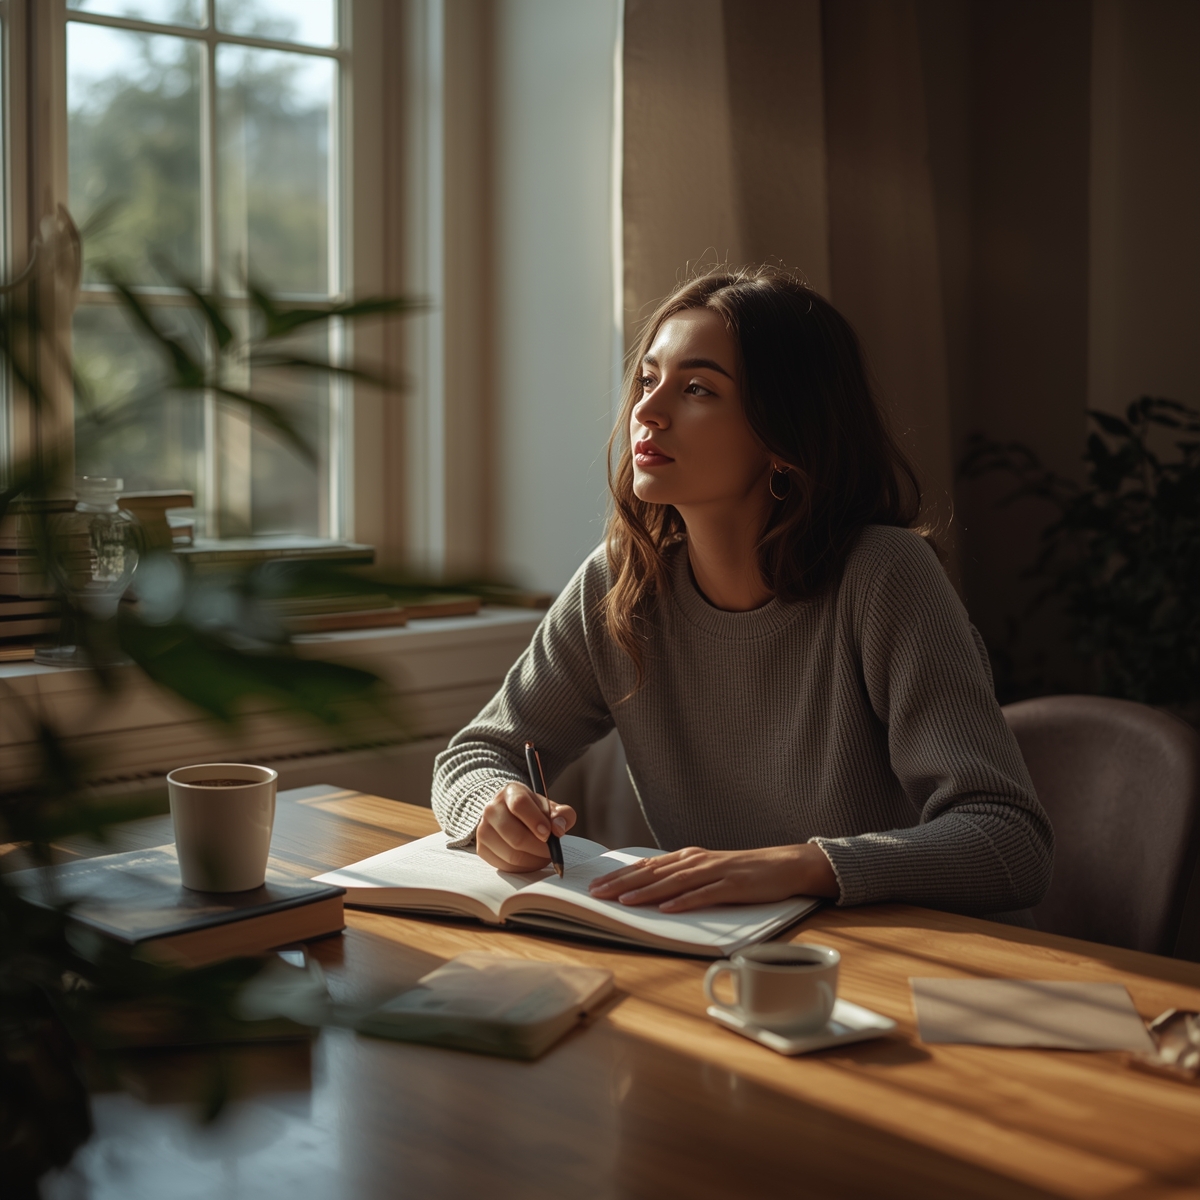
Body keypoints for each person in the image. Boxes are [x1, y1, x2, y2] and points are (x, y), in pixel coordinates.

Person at [431, 267, 1052, 922]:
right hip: (720, 955)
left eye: (697, 388)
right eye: (648, 380)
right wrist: (496, 808)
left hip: (896, 965)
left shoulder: (885, 576)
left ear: (783, 435)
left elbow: (1009, 841)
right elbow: (477, 754)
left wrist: (797, 865)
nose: (646, 410)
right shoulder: (623, 583)